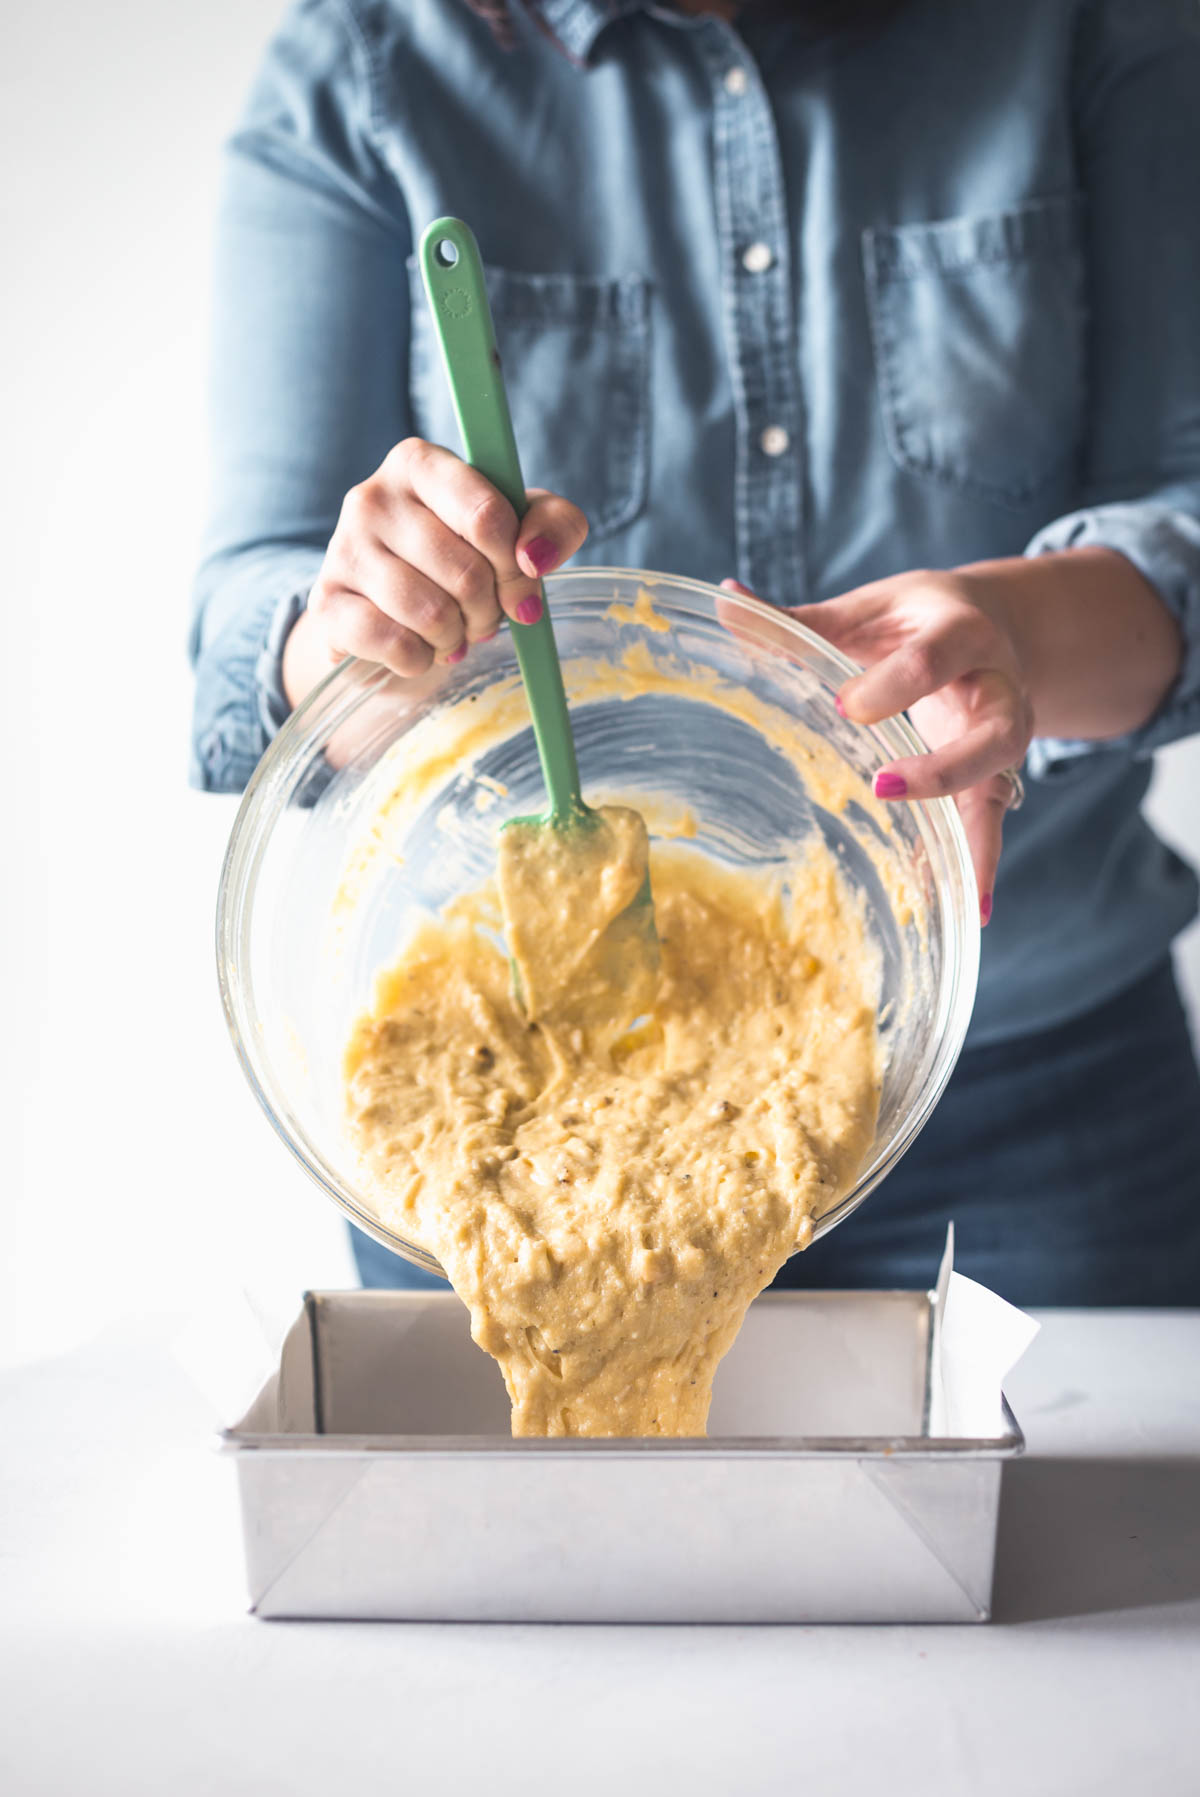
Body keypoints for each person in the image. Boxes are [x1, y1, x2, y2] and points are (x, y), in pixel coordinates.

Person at [191, 0, 1200, 1305]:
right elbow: (240, 613)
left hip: (1031, 1087)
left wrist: (1020, 629)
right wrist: (349, 631)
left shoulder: (1085, 29)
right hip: (506, 1078)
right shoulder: (366, 68)